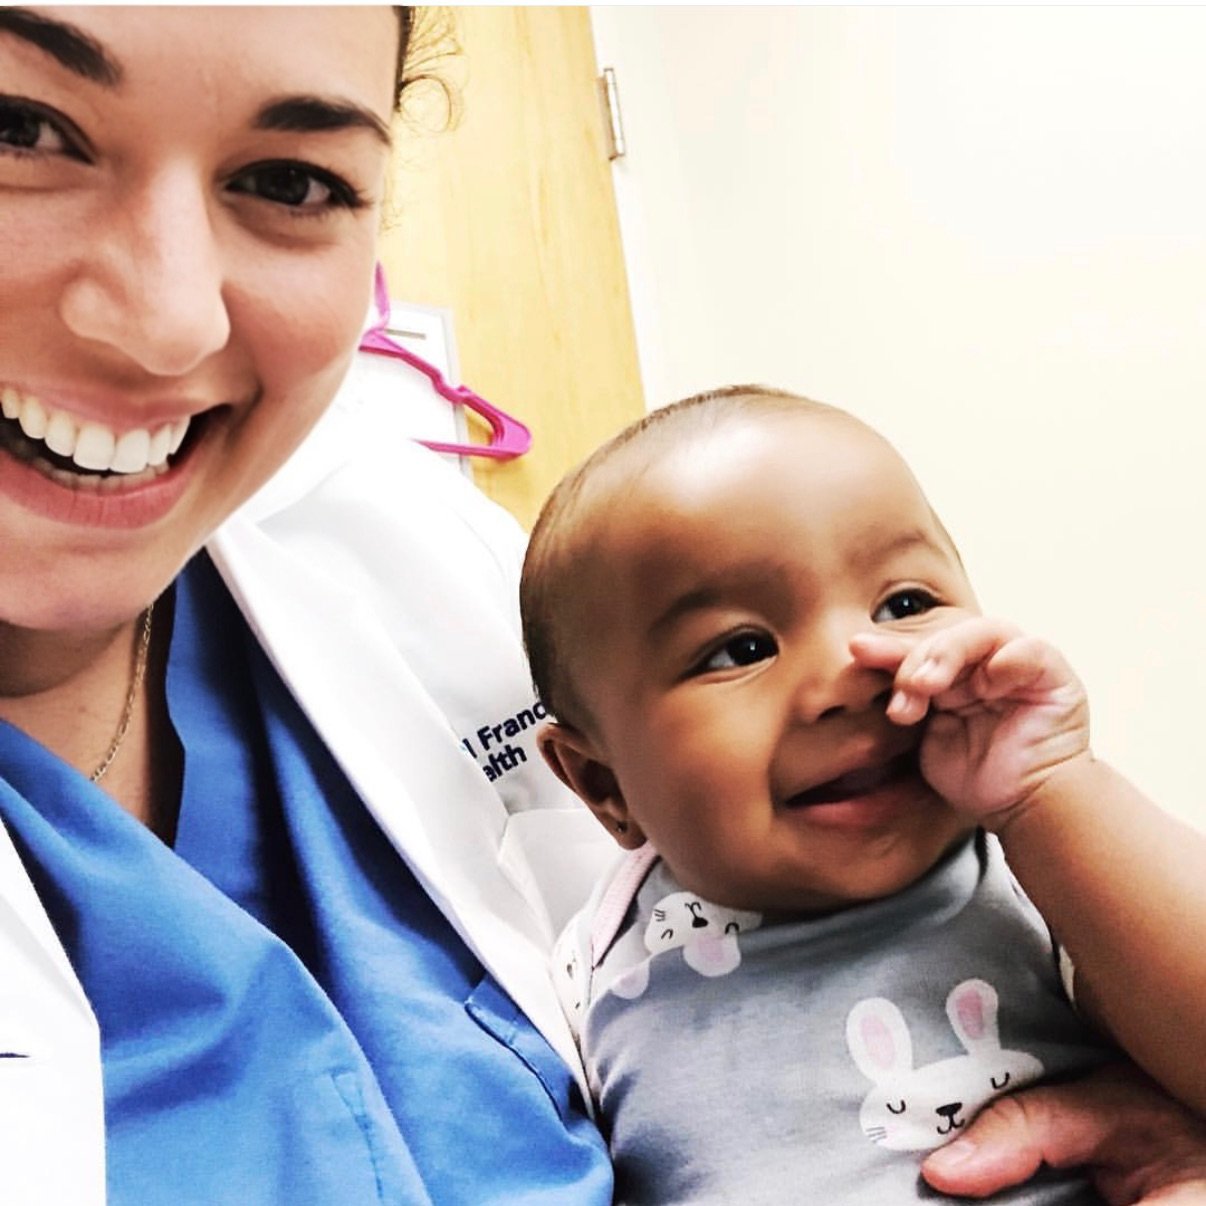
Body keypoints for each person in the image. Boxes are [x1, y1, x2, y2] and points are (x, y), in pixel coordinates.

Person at [1, 6, 1203, 1204]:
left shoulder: (1005, 870)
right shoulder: (637, 932)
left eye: (290, 178)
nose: (168, 321)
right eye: (18, 128)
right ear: (599, 785)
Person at [522, 385, 1206, 1203]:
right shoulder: (584, 965)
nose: (854, 673)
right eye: (740, 648)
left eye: (906, 603)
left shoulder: (1042, 865)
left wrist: (1052, 788)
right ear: (603, 784)